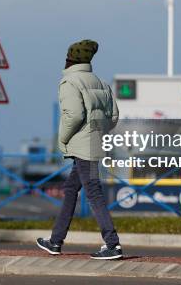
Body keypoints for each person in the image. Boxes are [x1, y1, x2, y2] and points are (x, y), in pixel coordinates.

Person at [36, 40, 122, 260]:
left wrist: (62, 139)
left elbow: (73, 115)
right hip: (95, 144)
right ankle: (55, 241)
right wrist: (96, 133)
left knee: (93, 192)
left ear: (69, 59)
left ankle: (112, 243)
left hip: (82, 147)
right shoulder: (101, 83)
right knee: (71, 189)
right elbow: (113, 117)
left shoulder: (69, 82)